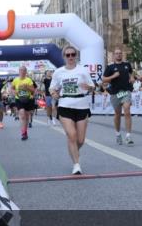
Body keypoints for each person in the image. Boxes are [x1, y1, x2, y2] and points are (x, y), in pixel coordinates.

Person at [49, 45, 95, 175]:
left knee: (80, 140)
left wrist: (89, 87)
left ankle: (73, 149)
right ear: (64, 57)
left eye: (73, 54)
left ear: (76, 56)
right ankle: (76, 164)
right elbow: (52, 88)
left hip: (82, 105)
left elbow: (92, 86)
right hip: (65, 105)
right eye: (67, 55)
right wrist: (53, 94)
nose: (70, 57)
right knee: (72, 135)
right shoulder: (59, 72)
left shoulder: (83, 71)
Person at [102, 47, 135, 146]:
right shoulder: (110, 67)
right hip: (115, 93)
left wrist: (132, 77)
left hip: (126, 91)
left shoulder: (127, 65)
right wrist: (113, 76)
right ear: (114, 55)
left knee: (127, 111)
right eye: (117, 53)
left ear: (122, 54)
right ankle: (118, 134)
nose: (119, 55)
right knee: (117, 115)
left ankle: (128, 136)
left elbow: (130, 73)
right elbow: (104, 79)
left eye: (120, 53)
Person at [12, 65, 37, 141]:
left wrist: (27, 87)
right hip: (19, 99)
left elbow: (33, 90)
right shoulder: (15, 80)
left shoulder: (29, 80)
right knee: (22, 115)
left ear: (26, 72)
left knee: (26, 117)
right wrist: (14, 92)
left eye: (24, 70)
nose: (22, 72)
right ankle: (23, 133)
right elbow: (12, 88)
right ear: (19, 72)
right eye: (21, 70)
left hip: (28, 100)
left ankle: (25, 132)